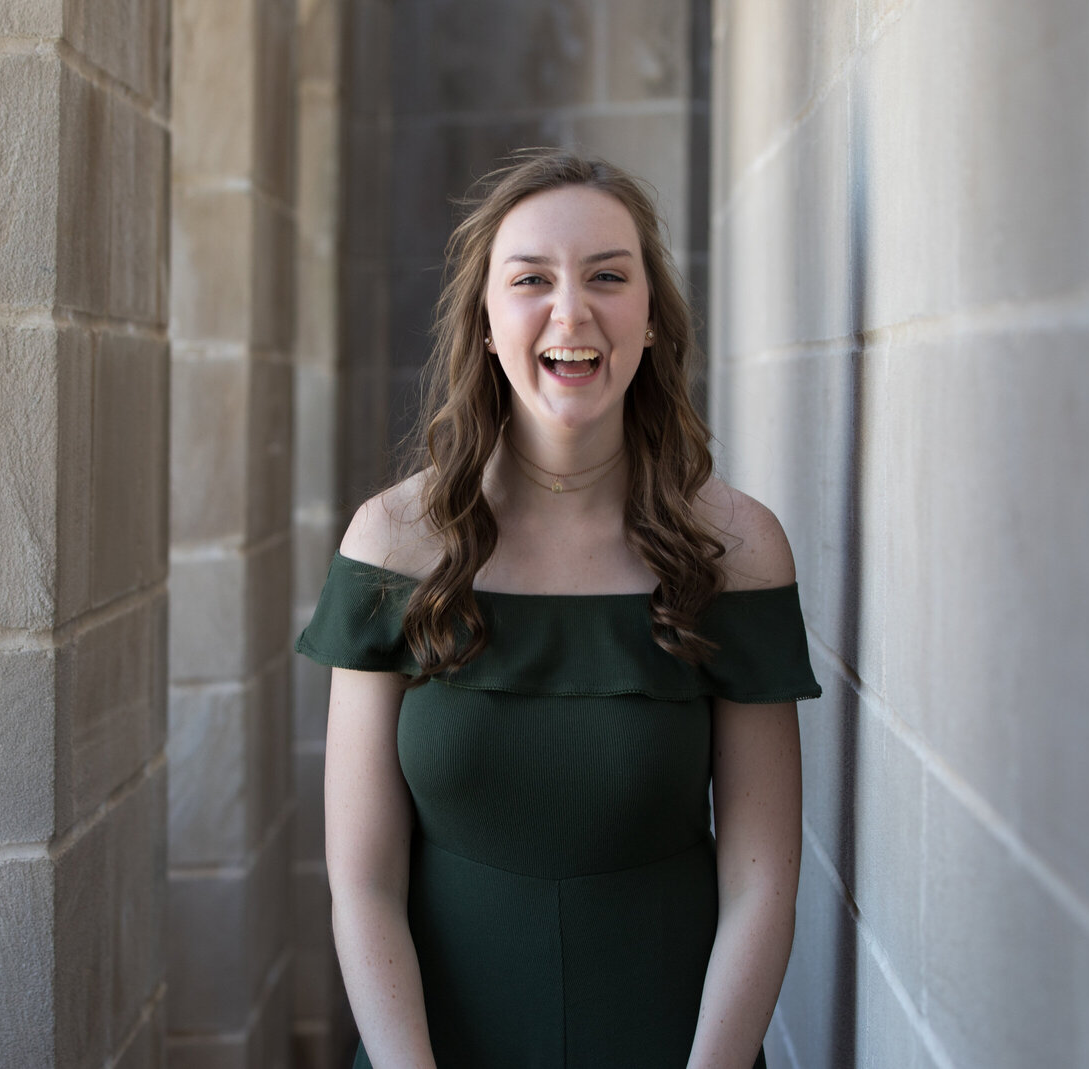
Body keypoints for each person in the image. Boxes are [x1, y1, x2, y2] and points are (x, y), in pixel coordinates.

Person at [296, 149, 821, 1069]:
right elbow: (363, 878)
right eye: (531, 278)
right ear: (488, 323)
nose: (570, 311)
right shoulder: (391, 545)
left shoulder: (734, 551)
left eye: (608, 277)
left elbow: (762, 881)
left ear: (651, 319)